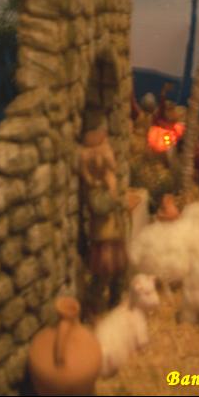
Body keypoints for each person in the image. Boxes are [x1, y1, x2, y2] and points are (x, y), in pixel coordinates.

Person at [78, 128, 127, 313]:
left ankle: (116, 301)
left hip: (115, 234)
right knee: (102, 274)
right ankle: (93, 306)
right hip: (103, 237)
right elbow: (100, 207)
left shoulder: (108, 182)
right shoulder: (94, 187)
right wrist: (114, 195)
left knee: (120, 270)